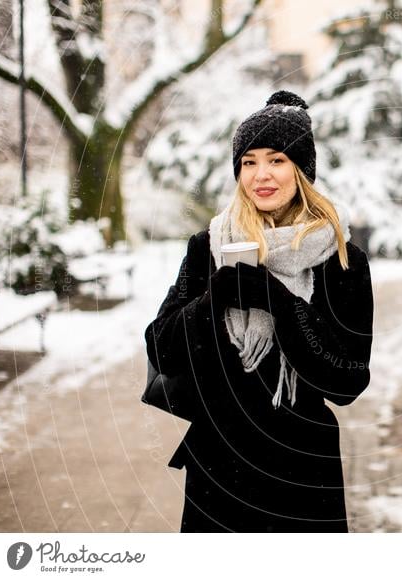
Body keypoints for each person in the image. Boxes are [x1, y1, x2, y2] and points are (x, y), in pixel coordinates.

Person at [144, 90, 374, 532]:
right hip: (219, 467)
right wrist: (213, 301)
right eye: (248, 161)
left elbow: (347, 379)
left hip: (303, 468)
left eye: (277, 160)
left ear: (302, 171)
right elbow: (162, 348)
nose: (261, 175)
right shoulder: (209, 246)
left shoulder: (342, 259)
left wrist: (278, 302)